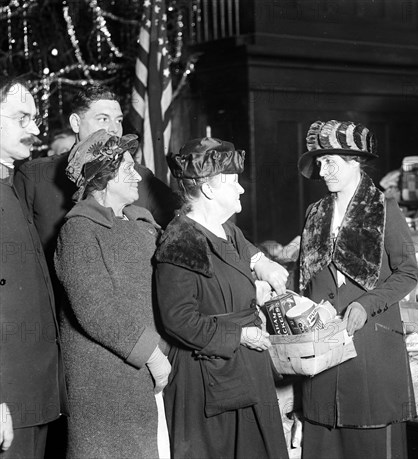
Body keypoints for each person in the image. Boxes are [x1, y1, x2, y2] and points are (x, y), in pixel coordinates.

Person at [154, 137, 290, 459]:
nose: (241, 189)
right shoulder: (181, 239)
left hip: (242, 368)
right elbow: (178, 319)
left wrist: (264, 263)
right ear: (209, 189)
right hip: (208, 380)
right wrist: (240, 335)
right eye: (233, 182)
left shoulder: (224, 228)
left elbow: (244, 248)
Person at [296, 120, 418, 459]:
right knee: (324, 443)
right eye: (319, 163)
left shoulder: (384, 209)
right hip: (322, 352)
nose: (323, 171)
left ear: (355, 161)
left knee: (371, 445)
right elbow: (304, 279)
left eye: (331, 161)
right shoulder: (315, 213)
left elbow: (408, 273)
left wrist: (368, 303)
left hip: (371, 350)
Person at [53, 129, 171, 458]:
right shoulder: (78, 230)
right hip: (106, 383)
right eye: (128, 169)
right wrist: (151, 354)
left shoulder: (141, 223)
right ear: (104, 177)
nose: (137, 176)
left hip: (148, 374)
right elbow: (95, 308)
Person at [14, 84, 178, 270]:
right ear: (76, 123)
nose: (114, 129)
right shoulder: (34, 177)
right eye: (103, 119)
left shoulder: (139, 177)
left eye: (118, 120)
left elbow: (181, 222)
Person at [0, 76, 66, 457]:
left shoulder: (14, 184)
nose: (36, 129)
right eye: (23, 118)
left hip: (36, 398)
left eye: (36, 119)